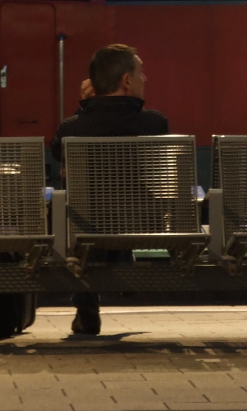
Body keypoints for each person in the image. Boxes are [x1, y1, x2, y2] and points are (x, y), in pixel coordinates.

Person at [51, 43, 168, 336]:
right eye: (141, 73)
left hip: (86, 224)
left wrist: (84, 107)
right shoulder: (155, 124)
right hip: (142, 222)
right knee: (124, 204)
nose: (146, 79)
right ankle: (123, 263)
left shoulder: (71, 129)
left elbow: (57, 153)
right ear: (126, 80)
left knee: (93, 207)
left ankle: (87, 306)